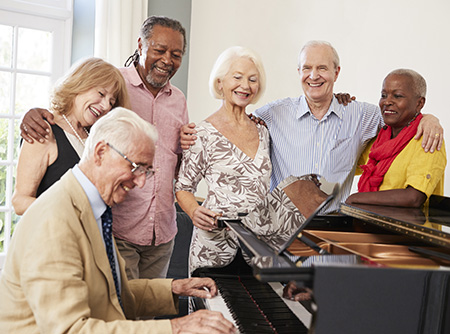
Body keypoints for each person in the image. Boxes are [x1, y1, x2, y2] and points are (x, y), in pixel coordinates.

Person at [0, 108, 236, 334]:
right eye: (136, 167)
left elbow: (113, 295)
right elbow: (70, 330)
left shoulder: (94, 209)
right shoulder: (54, 221)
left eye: (147, 170)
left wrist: (175, 288)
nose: (141, 182)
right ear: (101, 152)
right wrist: (177, 328)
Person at [181, 40, 443, 213]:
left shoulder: (362, 115)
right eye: (307, 68)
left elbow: (399, 117)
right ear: (298, 72)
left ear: (336, 73)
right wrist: (193, 133)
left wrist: (431, 119)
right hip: (281, 239)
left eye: (322, 68)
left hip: (335, 239)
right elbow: (234, 120)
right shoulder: (272, 114)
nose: (314, 75)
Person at [19, 16, 189, 280]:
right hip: (116, 231)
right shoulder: (113, 81)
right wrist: (32, 113)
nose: (106, 104)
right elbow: (68, 107)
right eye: (159, 50)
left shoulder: (178, 100)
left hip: (161, 231)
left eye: (176, 54)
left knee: (147, 308)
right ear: (141, 45)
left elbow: (176, 159)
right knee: (116, 311)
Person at [175, 46, 272, 275]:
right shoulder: (201, 134)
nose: (245, 86)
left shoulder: (263, 131)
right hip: (214, 246)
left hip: (258, 248)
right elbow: (183, 188)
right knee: (211, 309)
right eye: (237, 77)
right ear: (220, 83)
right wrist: (194, 212)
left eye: (252, 79)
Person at [12, 57, 129, 216]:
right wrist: (68, 209)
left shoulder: (94, 140)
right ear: (80, 84)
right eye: (101, 93)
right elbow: (19, 202)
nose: (105, 106)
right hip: (51, 236)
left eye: (111, 102)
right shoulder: (44, 130)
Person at [346, 69, 446, 207]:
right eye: (383, 95)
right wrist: (341, 107)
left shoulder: (428, 138)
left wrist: (356, 198)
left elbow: (414, 197)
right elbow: (344, 165)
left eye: (397, 96)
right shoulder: (378, 139)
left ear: (419, 103)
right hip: (370, 224)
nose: (387, 102)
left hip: (407, 227)